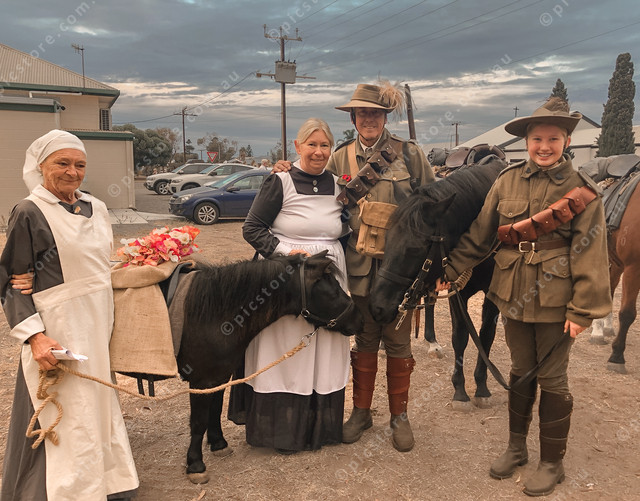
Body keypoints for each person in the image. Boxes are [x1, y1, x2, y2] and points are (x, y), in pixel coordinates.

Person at [436, 97, 611, 496]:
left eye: (553, 139)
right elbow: (480, 234)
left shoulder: (581, 191)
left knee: (552, 378)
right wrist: (450, 270)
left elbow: (590, 252)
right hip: (512, 291)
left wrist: (583, 309)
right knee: (520, 369)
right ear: (526, 141)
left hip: (556, 299)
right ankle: (517, 448)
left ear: (567, 141)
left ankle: (552, 463)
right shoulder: (507, 181)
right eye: (537, 139)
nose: (544, 147)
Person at [274, 81, 435, 452]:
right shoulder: (340, 156)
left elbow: (432, 204)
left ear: (385, 117)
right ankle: (361, 413)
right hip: (359, 268)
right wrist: (285, 168)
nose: (369, 120)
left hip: (399, 270)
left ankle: (399, 417)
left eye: (375, 113)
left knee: (398, 342)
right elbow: (311, 182)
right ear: (353, 118)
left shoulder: (410, 155)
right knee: (364, 339)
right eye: (363, 113)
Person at [0, 130, 139, 501]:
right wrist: (35, 336)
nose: (72, 172)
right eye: (62, 163)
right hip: (59, 328)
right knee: (66, 409)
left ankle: (107, 484)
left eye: (80, 164)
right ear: (40, 166)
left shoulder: (97, 207)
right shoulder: (29, 212)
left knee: (98, 405)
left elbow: (100, 266)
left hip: (98, 322)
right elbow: (12, 282)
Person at [240, 118, 351, 453]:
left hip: (329, 277)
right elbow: (252, 228)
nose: (318, 152)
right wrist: (287, 255)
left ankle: (319, 430)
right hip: (286, 277)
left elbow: (349, 228)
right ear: (297, 146)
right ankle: (282, 432)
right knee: (285, 347)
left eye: (324, 145)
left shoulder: (340, 185)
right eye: (312, 144)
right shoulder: (280, 180)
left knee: (325, 347)